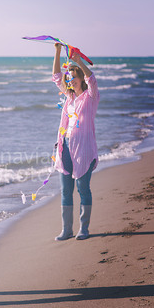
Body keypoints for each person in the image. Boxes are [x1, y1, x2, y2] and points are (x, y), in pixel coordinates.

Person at [52, 43, 100, 241]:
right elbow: (56, 77)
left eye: (73, 76)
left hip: (84, 149)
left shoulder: (90, 97)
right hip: (65, 146)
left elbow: (92, 79)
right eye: (68, 76)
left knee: (83, 188)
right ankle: (66, 230)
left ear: (80, 79)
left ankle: (84, 228)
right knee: (66, 190)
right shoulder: (68, 97)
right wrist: (56, 51)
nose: (69, 79)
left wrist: (77, 61)